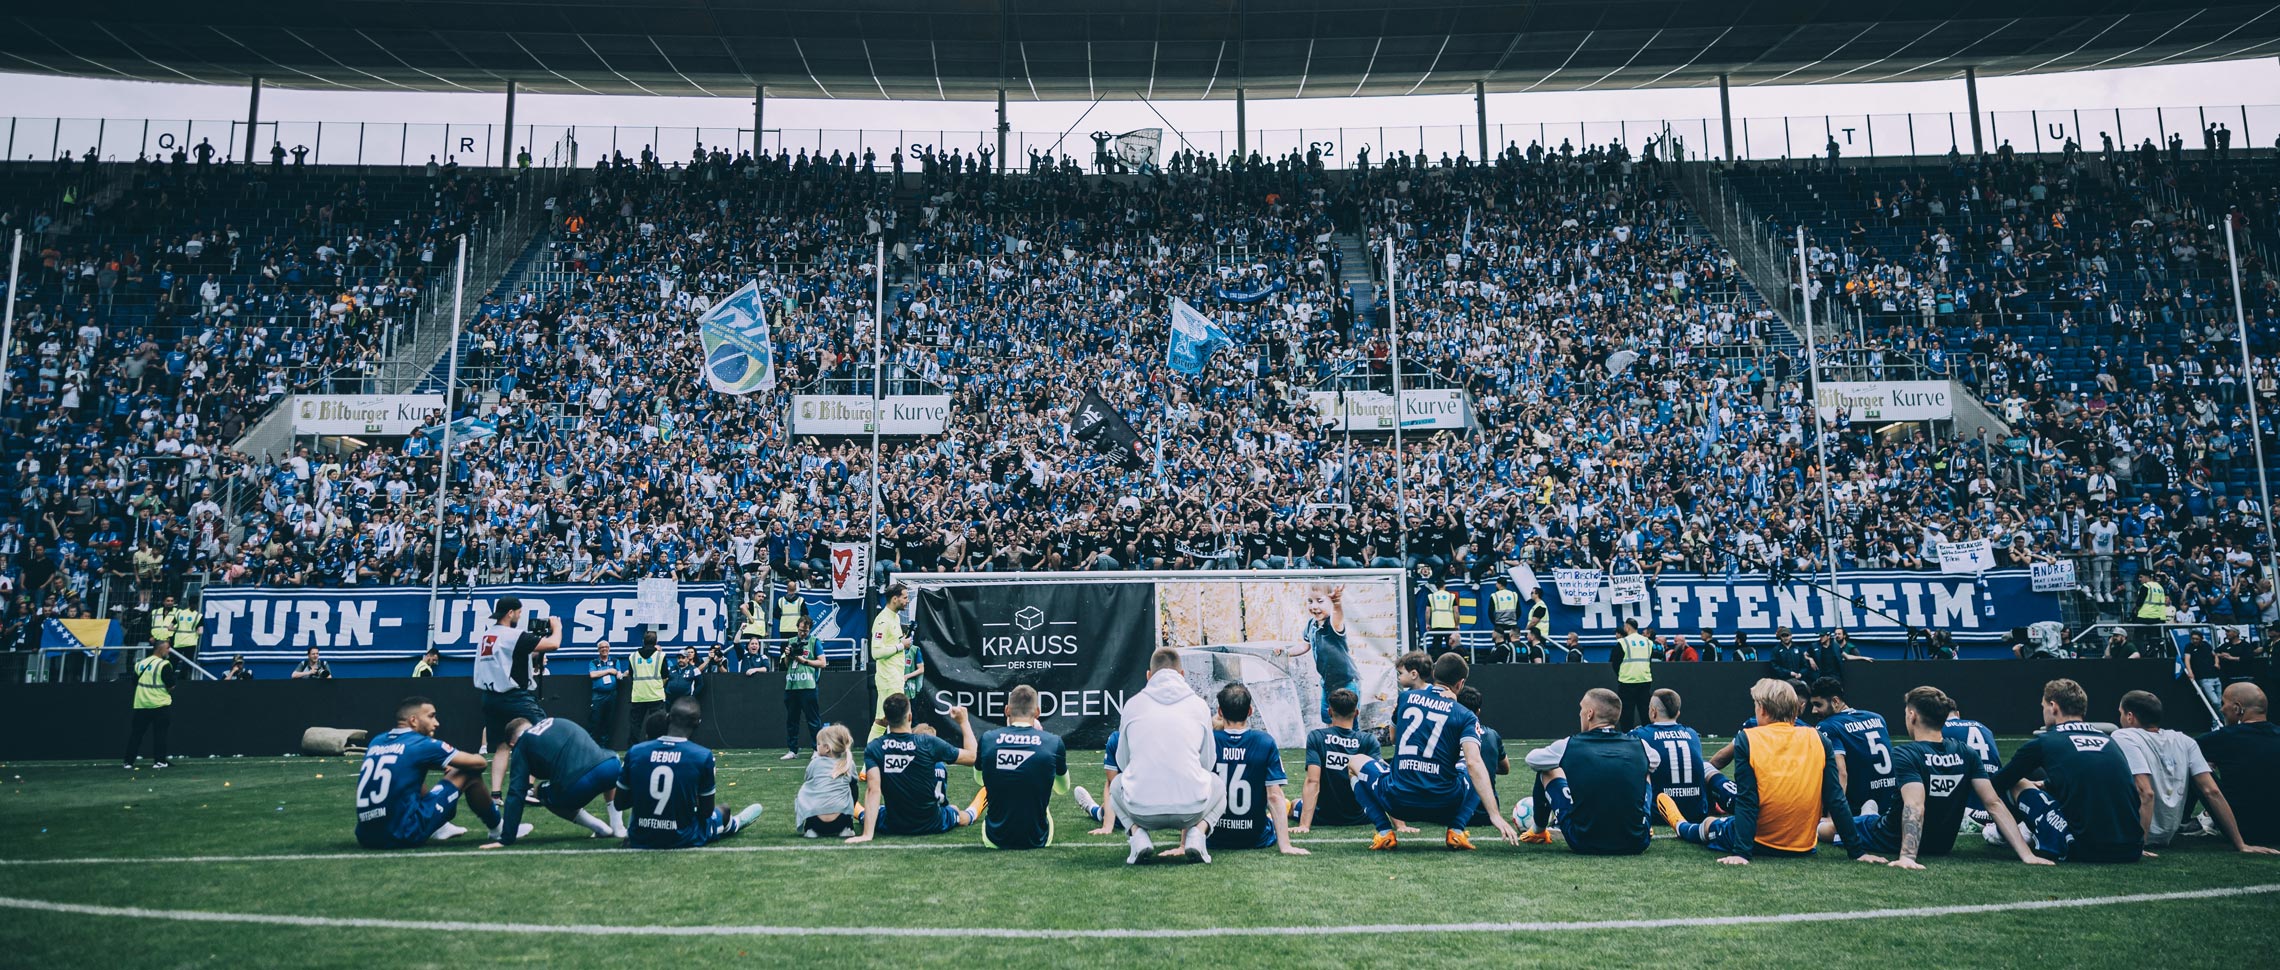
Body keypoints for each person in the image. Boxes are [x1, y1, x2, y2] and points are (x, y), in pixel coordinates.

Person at [1817, 686, 2046, 868]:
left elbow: (1915, 806)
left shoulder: (1906, 753)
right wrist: (2026, 855)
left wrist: (1908, 857)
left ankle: (1856, 818)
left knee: (1826, 828)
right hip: (1942, 844)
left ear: (1912, 715)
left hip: (1887, 836)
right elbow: (1994, 803)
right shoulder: (1967, 752)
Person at [1674, 678, 1885, 865]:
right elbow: (1836, 798)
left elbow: (1748, 801)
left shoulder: (1748, 738)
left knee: (1711, 824)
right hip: (1804, 843)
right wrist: (1857, 852)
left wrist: (1741, 853)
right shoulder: (1818, 738)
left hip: (1759, 840)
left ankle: (1680, 825)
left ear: (1763, 710)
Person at [1346, 652, 1521, 851]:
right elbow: (1473, 764)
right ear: (1460, 683)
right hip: (1444, 806)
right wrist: (1495, 815)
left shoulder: (1406, 698)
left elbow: (1393, 738)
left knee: (1355, 762)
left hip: (1398, 801)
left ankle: (1385, 832)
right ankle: (1456, 829)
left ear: (1434, 674)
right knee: (1474, 764)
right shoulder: (1464, 715)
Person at [1990, 679, 2146, 863]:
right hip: (2130, 848)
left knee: (2018, 783)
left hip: (2083, 849)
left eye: (2043, 707)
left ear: (2053, 707)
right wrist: (2046, 785)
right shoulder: (2109, 741)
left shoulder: (2045, 742)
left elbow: (1998, 784)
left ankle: (2001, 833)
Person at [2112, 691, 2274, 853]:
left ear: (2129, 717)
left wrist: (2138, 845)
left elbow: (2145, 792)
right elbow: (2212, 791)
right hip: (2167, 832)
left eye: (2121, 712)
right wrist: (2241, 844)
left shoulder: (2123, 735)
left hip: (2134, 833)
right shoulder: (2185, 740)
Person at [354, 696, 526, 849]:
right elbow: (479, 764)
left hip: (366, 836)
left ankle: (440, 827)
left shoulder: (378, 741)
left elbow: (407, 764)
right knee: (468, 772)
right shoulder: (422, 744)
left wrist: (437, 764)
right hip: (402, 833)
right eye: (431, 716)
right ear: (413, 720)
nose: (436, 723)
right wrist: (455, 764)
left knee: (412, 774)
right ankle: (498, 828)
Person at [1107, 646, 1223, 864]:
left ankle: (1137, 836)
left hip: (1141, 810)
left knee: (1115, 785)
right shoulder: (1198, 706)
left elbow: (1122, 762)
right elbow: (1207, 763)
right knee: (1218, 784)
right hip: (1192, 810)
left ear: (1149, 676)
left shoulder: (1132, 705)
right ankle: (1197, 835)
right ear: (1182, 675)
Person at [1518, 688, 1656, 854]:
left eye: (1581, 709)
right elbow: (1656, 762)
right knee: (1646, 772)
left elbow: (1532, 759)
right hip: (1636, 841)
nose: (1580, 714)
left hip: (1583, 841)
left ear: (1590, 714)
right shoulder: (1641, 746)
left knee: (1547, 771)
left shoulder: (1569, 745)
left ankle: (1538, 831)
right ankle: (1642, 823)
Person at [619, 699, 763, 849]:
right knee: (723, 810)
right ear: (697, 723)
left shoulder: (636, 752)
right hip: (682, 837)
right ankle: (733, 824)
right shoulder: (701, 756)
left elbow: (620, 803)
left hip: (639, 835)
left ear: (668, 718)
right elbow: (706, 812)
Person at [846, 693, 979, 843]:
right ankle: (971, 813)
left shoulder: (875, 747)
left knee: (873, 813)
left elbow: (873, 790)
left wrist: (867, 835)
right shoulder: (928, 742)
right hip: (932, 823)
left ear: (886, 719)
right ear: (909, 717)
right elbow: (973, 757)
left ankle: (858, 812)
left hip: (893, 824)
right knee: (955, 810)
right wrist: (964, 722)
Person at [483, 716, 625, 846]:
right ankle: (618, 826)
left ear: (512, 744)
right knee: (604, 765)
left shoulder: (522, 744)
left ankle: (599, 827)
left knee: (539, 791)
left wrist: (506, 838)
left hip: (577, 785)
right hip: (610, 766)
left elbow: (516, 792)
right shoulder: (554, 721)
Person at [472, 597, 562, 798]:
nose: (520, 617)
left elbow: (510, 658)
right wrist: (557, 627)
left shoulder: (487, 635)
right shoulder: (513, 635)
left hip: (490, 697)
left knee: (501, 746)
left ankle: (495, 795)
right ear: (510, 613)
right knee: (542, 733)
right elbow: (554, 644)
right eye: (519, 612)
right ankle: (529, 788)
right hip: (514, 696)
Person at [1206, 683, 1307, 856]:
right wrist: (1286, 846)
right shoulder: (1264, 741)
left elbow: (1194, 789)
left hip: (1213, 835)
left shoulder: (1209, 740)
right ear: (1250, 711)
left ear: (1220, 712)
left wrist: (1185, 843)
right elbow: (1274, 796)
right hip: (1255, 836)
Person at [975, 685, 1070, 850]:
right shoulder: (1053, 742)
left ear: (1007, 710)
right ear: (1038, 712)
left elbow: (978, 779)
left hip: (994, 838)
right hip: (1039, 838)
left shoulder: (987, 739)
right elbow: (1063, 789)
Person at [1631, 689, 1737, 825]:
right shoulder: (1692, 734)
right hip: (1695, 812)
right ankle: (1722, 800)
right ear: (1678, 713)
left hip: (1659, 813)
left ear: (1653, 711)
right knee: (1705, 766)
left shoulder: (1640, 734)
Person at [1290, 688, 1385, 832]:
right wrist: (1400, 825)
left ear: (1329, 712)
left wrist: (1304, 826)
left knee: (1293, 804)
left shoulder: (1317, 737)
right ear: (1356, 712)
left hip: (1322, 816)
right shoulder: (1368, 740)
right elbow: (1381, 780)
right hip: (1361, 817)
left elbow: (1312, 781)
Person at [2199, 683, 2280, 847]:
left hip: (2243, 829)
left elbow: (2182, 751)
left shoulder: (2223, 739)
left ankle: (2183, 821)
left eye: (2224, 703)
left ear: (2237, 708)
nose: (2222, 709)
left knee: (2193, 765)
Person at [1810, 678, 1898, 815]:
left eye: (1818, 704)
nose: (1813, 711)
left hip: (1857, 811)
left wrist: (1834, 817)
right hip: (1888, 805)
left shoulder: (1827, 726)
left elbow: (1841, 773)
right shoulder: (1877, 718)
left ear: (1835, 701)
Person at [1279, 584, 1357, 722]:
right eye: (1310, 601)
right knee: (1328, 719)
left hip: (1346, 683)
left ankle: (1351, 743)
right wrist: (1286, 652)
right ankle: (1330, 742)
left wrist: (1337, 604)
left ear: (1330, 601)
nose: (1314, 606)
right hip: (1327, 684)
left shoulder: (1333, 623)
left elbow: (1338, 617)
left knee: (1347, 722)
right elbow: (1305, 645)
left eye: (1320, 601)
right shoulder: (1311, 624)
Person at [1455, 686, 1510, 831]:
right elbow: (1505, 769)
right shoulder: (1492, 735)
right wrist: (1485, 769)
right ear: (1478, 711)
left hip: (1455, 813)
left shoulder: (1448, 733)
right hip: (1486, 813)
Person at [794, 724, 862, 837]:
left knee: (806, 788)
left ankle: (810, 828)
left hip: (816, 821)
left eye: (819, 744)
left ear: (827, 748)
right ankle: (847, 827)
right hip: (841, 820)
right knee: (852, 785)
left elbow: (807, 779)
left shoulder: (815, 763)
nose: (817, 746)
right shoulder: (849, 763)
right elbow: (854, 786)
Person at [124, 639, 183, 769]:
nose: (169, 651)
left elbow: (134, 682)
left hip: (141, 703)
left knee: (136, 734)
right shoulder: (164, 665)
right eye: (167, 648)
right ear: (160, 649)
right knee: (160, 734)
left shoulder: (140, 664)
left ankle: (128, 761)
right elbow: (171, 685)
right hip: (159, 704)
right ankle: (159, 761)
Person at [1943, 703, 2005, 820]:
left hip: (1969, 794)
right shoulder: (1984, 727)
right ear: (1957, 714)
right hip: (1994, 793)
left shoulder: (1941, 729)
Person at [779, 615, 826, 759]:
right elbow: (786, 665)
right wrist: (788, 655)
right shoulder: (791, 641)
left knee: (813, 720)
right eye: (800, 630)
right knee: (792, 720)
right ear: (797, 628)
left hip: (808, 685)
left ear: (810, 629)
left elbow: (823, 663)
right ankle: (792, 750)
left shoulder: (814, 642)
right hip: (792, 685)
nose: (802, 633)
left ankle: (816, 749)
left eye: (805, 631)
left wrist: (804, 661)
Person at [871, 584, 911, 726]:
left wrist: (901, 641)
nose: (907, 600)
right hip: (888, 678)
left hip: (895, 676)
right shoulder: (882, 620)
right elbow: (875, 653)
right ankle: (905, 748)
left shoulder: (895, 617)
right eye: (905, 597)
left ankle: (871, 748)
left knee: (882, 721)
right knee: (902, 718)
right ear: (895, 599)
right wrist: (901, 645)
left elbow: (891, 643)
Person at [1611, 618, 1655, 731]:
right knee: (1645, 711)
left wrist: (1622, 674)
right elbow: (1649, 660)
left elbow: (1615, 662)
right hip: (1644, 680)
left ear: (1627, 627)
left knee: (1627, 712)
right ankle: (1649, 734)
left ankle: (1627, 735)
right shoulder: (1648, 642)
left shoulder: (1623, 642)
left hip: (1627, 681)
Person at [587, 640, 625, 747]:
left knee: (608, 721)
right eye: (602, 647)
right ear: (598, 650)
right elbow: (593, 675)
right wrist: (608, 671)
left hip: (611, 694)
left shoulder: (615, 660)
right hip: (598, 695)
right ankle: (592, 745)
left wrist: (621, 674)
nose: (604, 649)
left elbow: (618, 674)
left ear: (609, 649)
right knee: (595, 720)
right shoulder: (594, 662)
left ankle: (604, 746)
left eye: (606, 647)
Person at [1487, 579, 1521, 663]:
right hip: (1512, 625)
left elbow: (1490, 612)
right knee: (1512, 646)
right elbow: (1519, 611)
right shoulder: (1514, 595)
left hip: (1499, 625)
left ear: (1499, 584)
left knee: (1500, 647)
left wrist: (1495, 623)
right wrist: (1514, 620)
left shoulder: (1494, 595)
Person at [1425, 580, 1460, 654]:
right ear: (1444, 586)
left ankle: (1436, 663)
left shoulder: (1431, 596)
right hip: (1449, 624)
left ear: (1436, 587)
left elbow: (1427, 611)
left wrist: (1427, 623)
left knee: (1436, 646)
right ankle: (1450, 661)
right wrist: (1457, 624)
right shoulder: (1451, 596)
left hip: (1436, 624)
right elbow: (1456, 611)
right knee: (1450, 645)